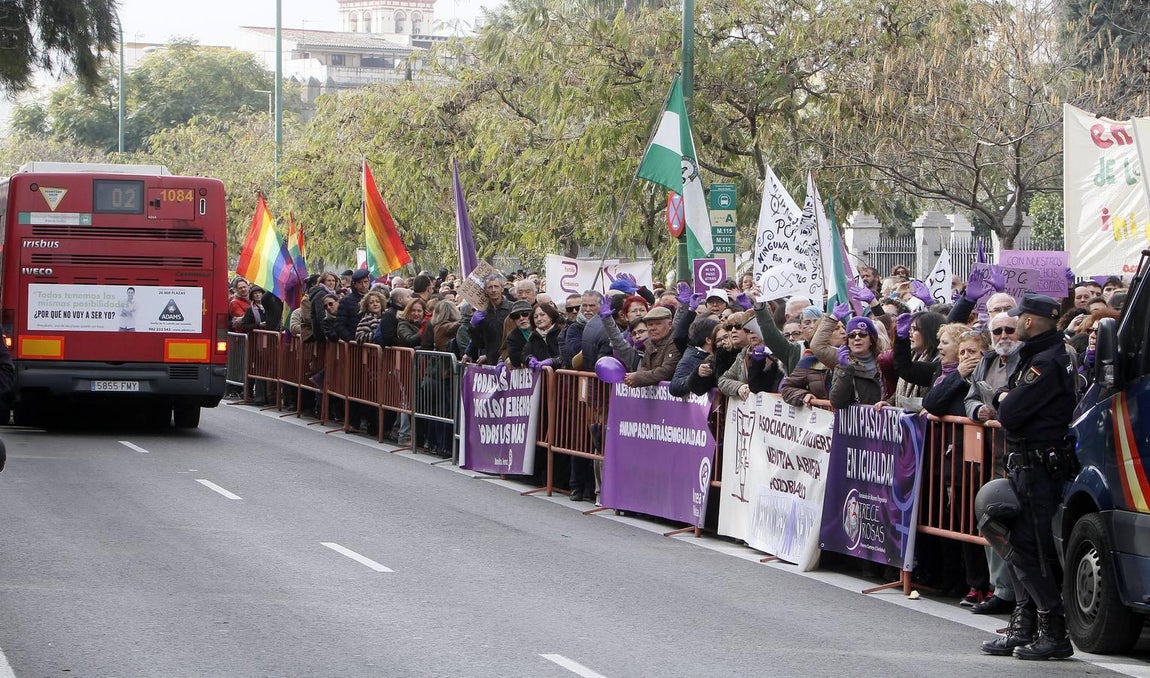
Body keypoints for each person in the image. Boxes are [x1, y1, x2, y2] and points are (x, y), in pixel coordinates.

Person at [979, 294, 1078, 660]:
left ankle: (1053, 631)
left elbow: (1012, 412)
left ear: (1031, 322)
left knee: (1029, 548)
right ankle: (1026, 625)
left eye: (1019, 317)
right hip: (1026, 465)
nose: (1015, 321)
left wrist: (1006, 398)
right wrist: (1008, 396)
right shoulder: (1038, 355)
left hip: (1038, 467)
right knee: (1017, 542)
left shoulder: (1047, 361)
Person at [963, 312, 1023, 616]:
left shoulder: (1028, 359)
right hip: (991, 455)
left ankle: (1017, 592)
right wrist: (977, 412)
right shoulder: (986, 361)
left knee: (1011, 521)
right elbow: (971, 397)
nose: (1003, 335)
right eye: (997, 330)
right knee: (989, 517)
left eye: (1008, 329)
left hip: (1019, 453)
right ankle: (1001, 589)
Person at [828, 316, 887, 408]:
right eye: (851, 335)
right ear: (848, 342)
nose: (857, 338)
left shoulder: (884, 362)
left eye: (862, 334)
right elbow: (837, 402)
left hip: (885, 419)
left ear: (871, 340)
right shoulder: (843, 366)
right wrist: (845, 369)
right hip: (860, 421)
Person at [621, 306, 681, 387]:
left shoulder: (676, 341)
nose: (653, 328)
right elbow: (645, 367)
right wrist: (635, 376)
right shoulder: (649, 343)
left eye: (658, 324)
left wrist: (638, 377)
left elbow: (667, 371)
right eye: (650, 324)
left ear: (670, 324)